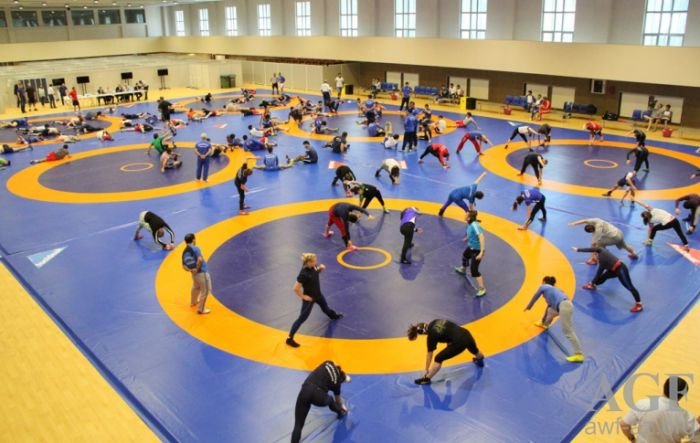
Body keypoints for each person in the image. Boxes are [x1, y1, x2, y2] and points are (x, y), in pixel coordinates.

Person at [286, 253, 343, 348]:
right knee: (302, 318)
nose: (316, 263)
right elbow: (295, 288)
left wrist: (320, 269)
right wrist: (303, 297)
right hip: (309, 299)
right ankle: (289, 338)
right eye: (314, 261)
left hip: (318, 295)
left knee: (326, 308)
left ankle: (333, 316)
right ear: (308, 262)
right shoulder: (303, 274)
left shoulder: (313, 266)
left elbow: (315, 273)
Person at [620, 376, 700, 443]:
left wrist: (632, 439)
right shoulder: (687, 417)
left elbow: (624, 424)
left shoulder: (643, 404)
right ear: (682, 395)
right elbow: (697, 439)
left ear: (664, 387)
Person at [524, 276, 584, 363]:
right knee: (550, 311)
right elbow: (550, 306)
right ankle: (545, 324)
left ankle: (579, 354)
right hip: (562, 306)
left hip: (563, 306)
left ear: (544, 282)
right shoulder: (555, 290)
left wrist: (529, 306)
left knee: (567, 331)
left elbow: (535, 296)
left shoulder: (544, 287)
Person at [407, 319, 485, 385]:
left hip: (459, 342)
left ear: (423, 333)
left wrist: (426, 369)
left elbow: (429, 355)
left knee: (438, 358)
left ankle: (426, 379)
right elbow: (448, 332)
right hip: (466, 333)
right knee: (475, 350)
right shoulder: (436, 321)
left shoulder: (431, 336)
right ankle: (480, 359)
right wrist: (449, 348)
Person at [291, 360, 350, 443]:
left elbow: (335, 364)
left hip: (306, 390)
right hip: (318, 396)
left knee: (298, 425)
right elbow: (338, 401)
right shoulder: (337, 383)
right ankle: (340, 412)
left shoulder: (328, 362)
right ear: (341, 380)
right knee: (330, 400)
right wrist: (342, 407)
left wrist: (345, 376)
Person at [573, 246, 643, 313]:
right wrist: (578, 249)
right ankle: (593, 285)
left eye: (594, 258)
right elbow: (591, 249)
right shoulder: (600, 249)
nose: (594, 259)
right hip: (614, 269)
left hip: (621, 270)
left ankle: (639, 304)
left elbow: (598, 273)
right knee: (604, 277)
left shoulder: (602, 260)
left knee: (629, 286)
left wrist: (592, 282)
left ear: (596, 255)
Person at [569, 218, 639, 263]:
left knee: (599, 245)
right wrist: (575, 223)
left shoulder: (597, 233)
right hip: (619, 232)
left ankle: (594, 260)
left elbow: (593, 246)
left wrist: (592, 257)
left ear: (591, 231)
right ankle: (634, 254)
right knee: (624, 245)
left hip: (615, 238)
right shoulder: (596, 220)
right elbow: (585, 220)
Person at [454, 210, 487, 297]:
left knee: (474, 270)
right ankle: (463, 269)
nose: (464, 216)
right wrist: (467, 238)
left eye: (466, 215)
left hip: (477, 250)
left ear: (469, 218)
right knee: (465, 256)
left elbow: (481, 237)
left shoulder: (475, 225)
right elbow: (472, 233)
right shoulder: (470, 224)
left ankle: (482, 289)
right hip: (471, 247)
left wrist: (481, 252)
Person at [181, 233, 211, 315]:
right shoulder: (196, 248)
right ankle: (201, 309)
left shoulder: (185, 251)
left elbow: (184, 266)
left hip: (194, 274)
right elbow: (200, 259)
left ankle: (193, 302)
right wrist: (197, 269)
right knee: (205, 290)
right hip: (201, 272)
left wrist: (191, 270)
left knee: (196, 287)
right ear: (193, 240)